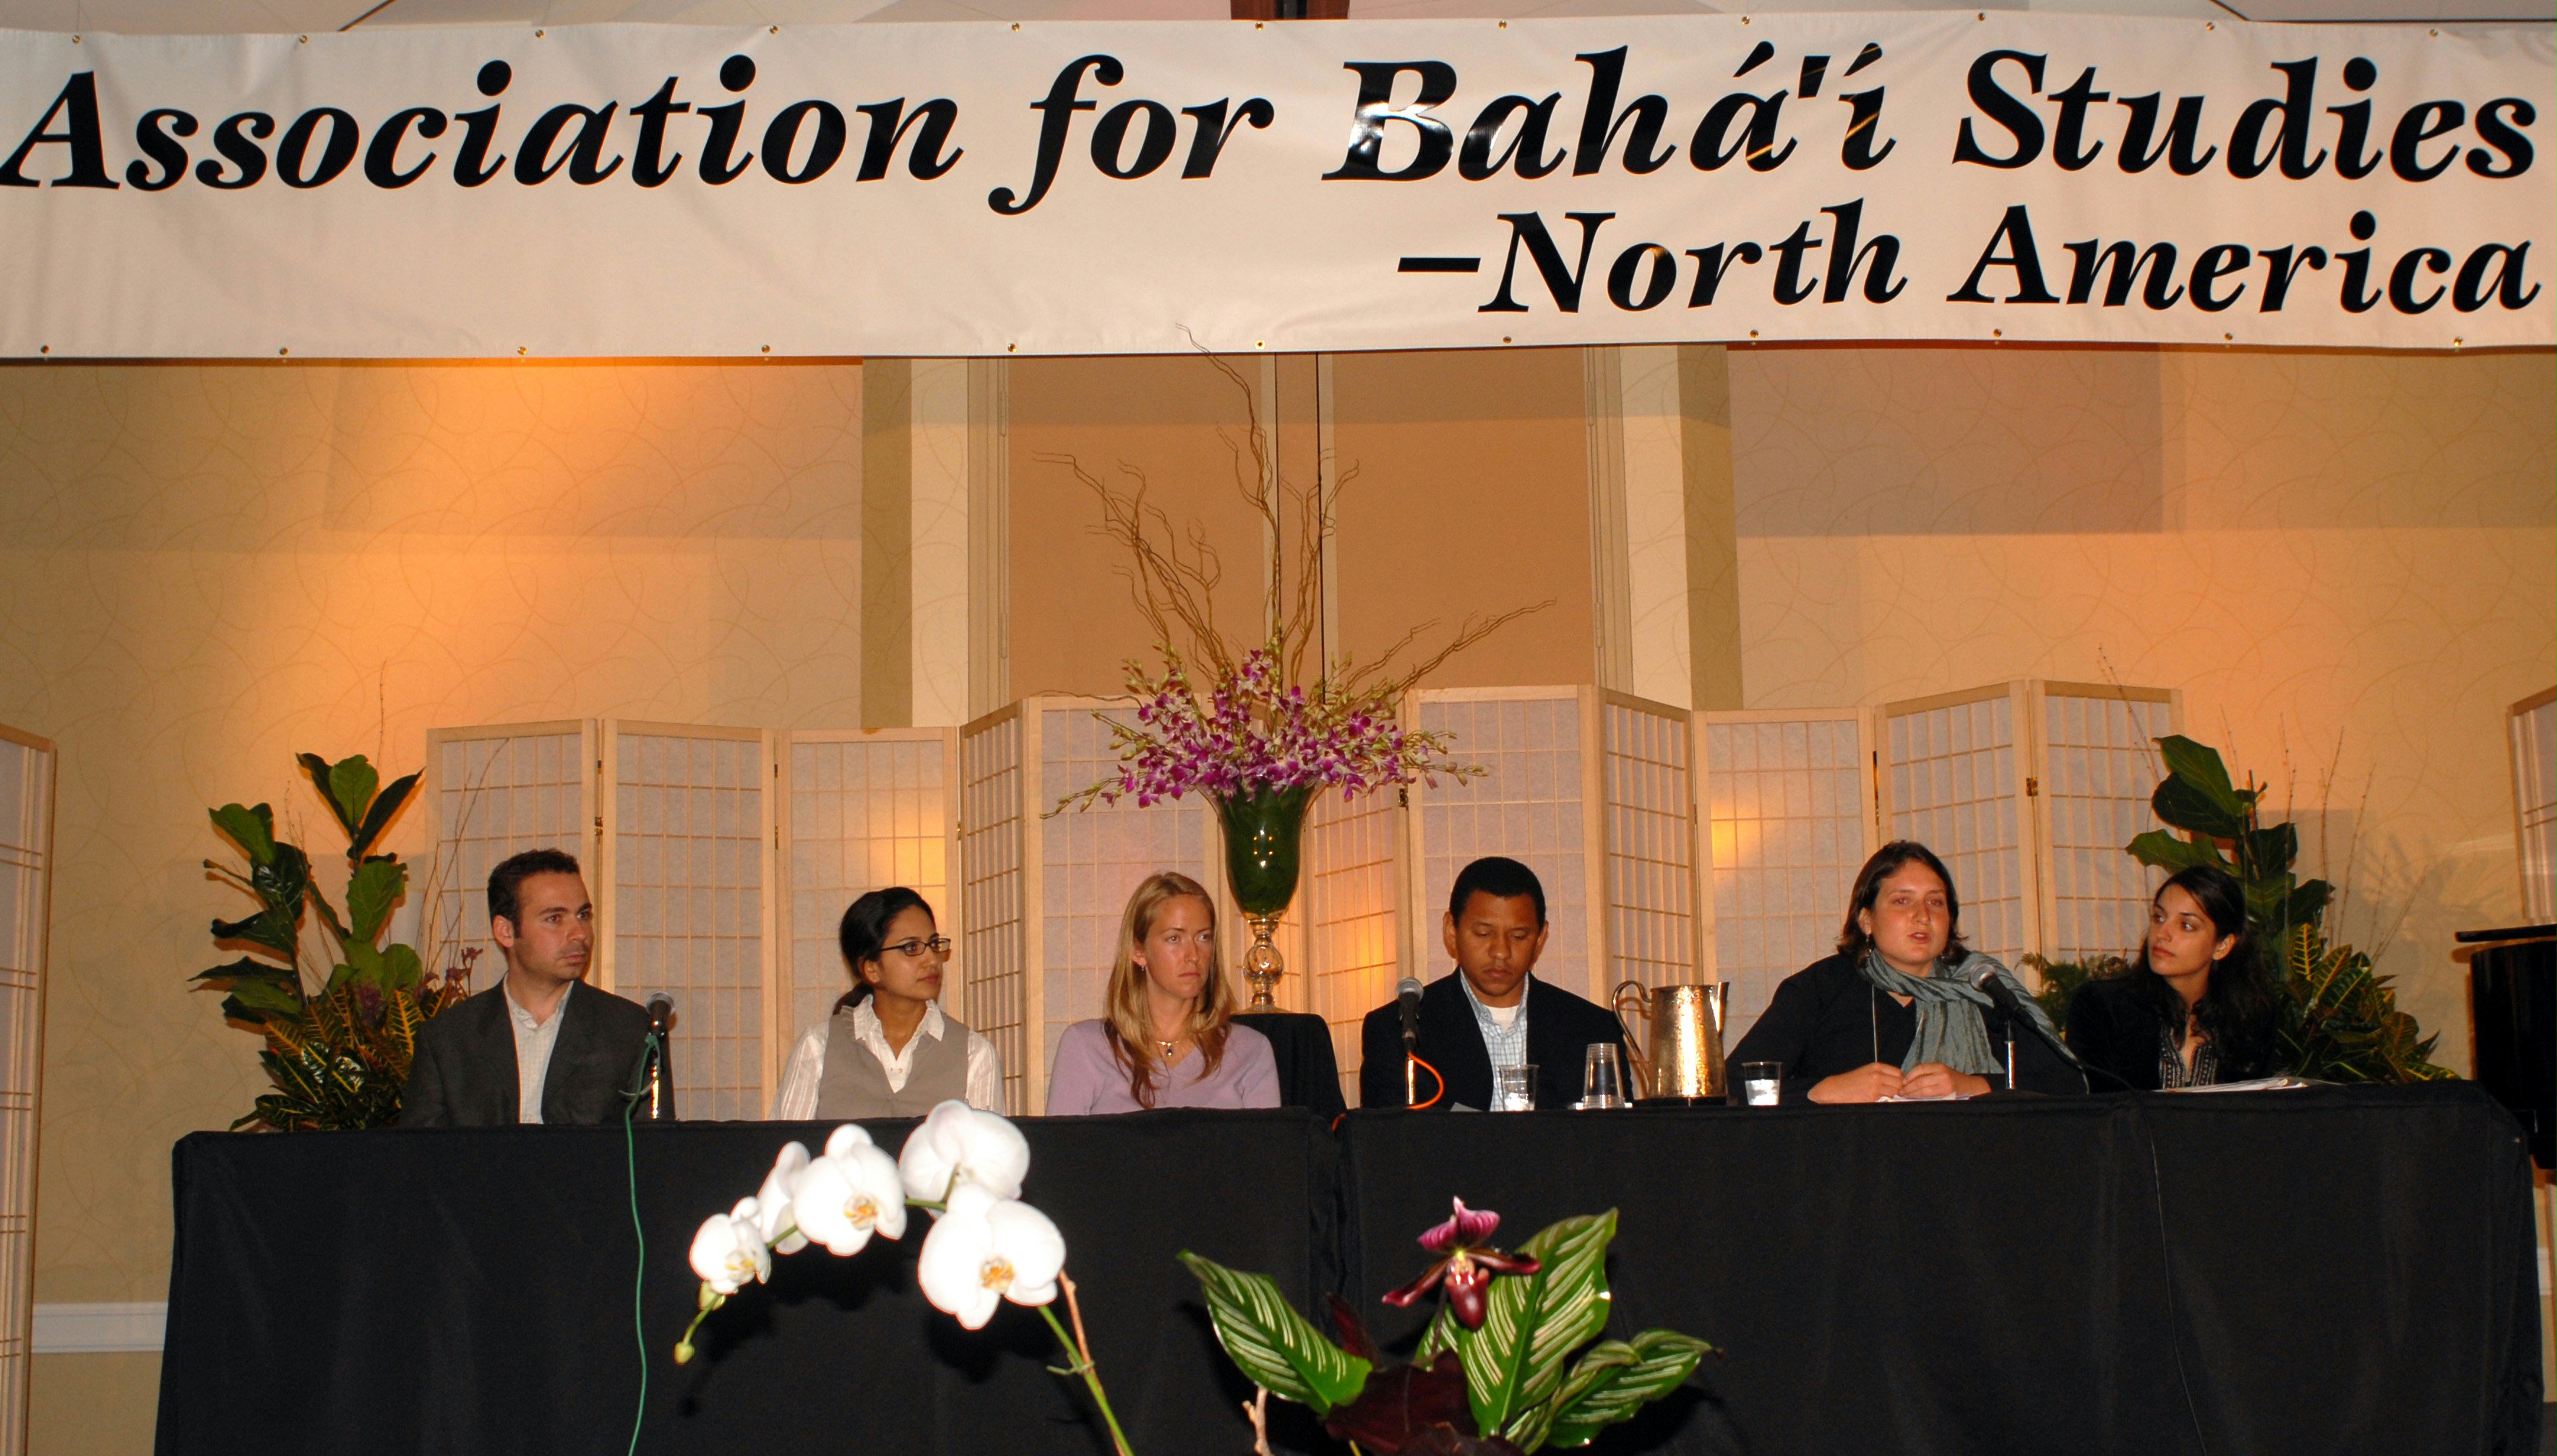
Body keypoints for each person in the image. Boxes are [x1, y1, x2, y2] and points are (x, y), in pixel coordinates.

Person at [1726, 840, 2078, 1102]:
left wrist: (1972, 1085)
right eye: (1902, 901)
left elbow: (2067, 1083)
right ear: (1866, 920)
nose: (1922, 915)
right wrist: (1825, 1090)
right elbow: (1736, 1082)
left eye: (1935, 902)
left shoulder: (1982, 987)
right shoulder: (1820, 988)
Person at [400, 848, 669, 1126]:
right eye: (555, 918)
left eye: (583, 915)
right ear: (506, 931)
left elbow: (650, 1155)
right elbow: (421, 1158)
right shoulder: (448, 1039)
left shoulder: (630, 1031)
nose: (579, 933)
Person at [1358, 856, 1628, 1112]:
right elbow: (1386, 1146)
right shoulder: (1401, 1032)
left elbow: (1614, 1142)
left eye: (1519, 936)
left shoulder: (1592, 1030)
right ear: (1451, 931)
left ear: (1541, 938)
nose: (1501, 952)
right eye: (1483, 933)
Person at [1045, 871, 1280, 1114]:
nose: (1193, 955)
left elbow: (1269, 1150)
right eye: (1174, 939)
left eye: (1203, 937)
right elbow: (1062, 1150)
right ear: (1139, 951)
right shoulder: (1086, 1047)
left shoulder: (1250, 1051)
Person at [771, 887, 1007, 1119]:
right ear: (872, 969)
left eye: (934, 944)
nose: (932, 960)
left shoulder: (974, 1053)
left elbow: (988, 1155)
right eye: (911, 947)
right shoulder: (817, 1047)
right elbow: (788, 1152)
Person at [2067, 864, 2281, 1090]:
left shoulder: (2253, 1018)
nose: (2162, 933)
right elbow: (2095, 1109)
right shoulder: (2101, 1006)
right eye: (2159, 917)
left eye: (2186, 926)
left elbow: (2257, 1113)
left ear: (2222, 945)